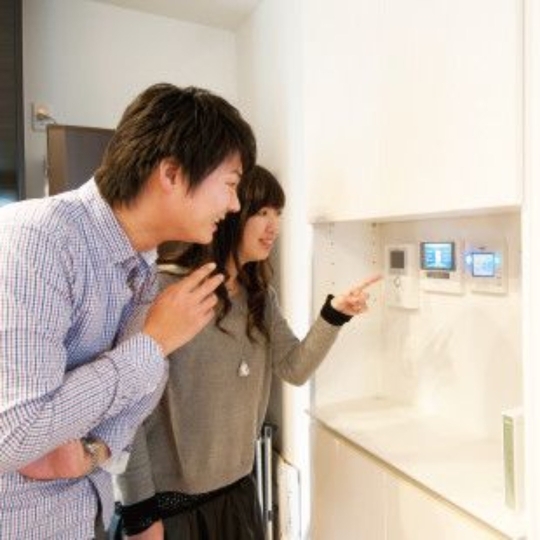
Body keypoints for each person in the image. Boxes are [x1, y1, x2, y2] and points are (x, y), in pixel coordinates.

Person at [0, 82, 256, 539]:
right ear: (172, 173)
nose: (235, 205)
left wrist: (92, 452)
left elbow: (134, 403)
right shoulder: (37, 240)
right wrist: (154, 342)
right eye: (231, 185)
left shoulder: (140, 266)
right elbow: (15, 434)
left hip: (85, 515)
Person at [115, 165, 381, 539]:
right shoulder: (167, 290)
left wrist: (334, 315)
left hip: (238, 495)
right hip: (169, 507)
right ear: (229, 212)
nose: (274, 226)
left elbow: (294, 368)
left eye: (278, 214)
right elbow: (127, 410)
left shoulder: (259, 298)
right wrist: (139, 514)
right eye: (262, 212)